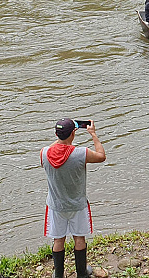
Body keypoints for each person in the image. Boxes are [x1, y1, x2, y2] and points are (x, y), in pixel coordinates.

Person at [41, 118, 107, 278]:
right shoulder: (80, 153)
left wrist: (61, 138)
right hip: (77, 205)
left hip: (56, 206)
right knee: (79, 238)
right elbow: (101, 156)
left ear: (56, 134)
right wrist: (93, 134)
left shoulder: (44, 153)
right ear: (73, 133)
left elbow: (52, 149)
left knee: (58, 240)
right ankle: (82, 273)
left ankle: (58, 275)